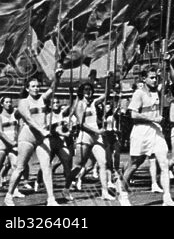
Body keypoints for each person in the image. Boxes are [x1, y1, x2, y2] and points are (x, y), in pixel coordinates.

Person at [118, 67, 174, 206]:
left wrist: (168, 64)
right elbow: (133, 115)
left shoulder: (157, 91)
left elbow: (171, 79)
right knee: (134, 165)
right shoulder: (139, 93)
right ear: (144, 79)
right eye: (151, 77)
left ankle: (167, 198)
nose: (155, 79)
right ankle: (123, 195)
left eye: (155, 77)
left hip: (156, 132)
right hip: (141, 132)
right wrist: (152, 119)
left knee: (164, 164)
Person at [4, 70, 63, 206]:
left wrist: (57, 77)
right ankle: (9, 195)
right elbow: (29, 120)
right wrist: (42, 130)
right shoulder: (23, 102)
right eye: (33, 86)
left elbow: (52, 88)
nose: (36, 89)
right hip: (27, 137)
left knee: (46, 167)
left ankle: (51, 199)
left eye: (37, 86)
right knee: (20, 168)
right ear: (27, 88)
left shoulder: (42, 99)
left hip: (42, 138)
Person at [73, 82, 114, 201]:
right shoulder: (79, 104)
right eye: (85, 89)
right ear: (82, 91)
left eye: (90, 89)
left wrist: (108, 79)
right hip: (85, 135)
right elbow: (81, 124)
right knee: (78, 165)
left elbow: (106, 94)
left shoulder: (94, 102)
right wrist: (97, 131)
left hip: (96, 136)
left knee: (103, 162)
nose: (88, 91)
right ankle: (71, 182)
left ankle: (104, 192)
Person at [0, 96, 19, 195]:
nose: (9, 104)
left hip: (14, 144)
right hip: (2, 144)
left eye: (10, 102)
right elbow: (1, 133)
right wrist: (11, 142)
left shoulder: (14, 115)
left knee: (16, 166)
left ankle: (15, 190)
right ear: (2, 104)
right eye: (6, 102)